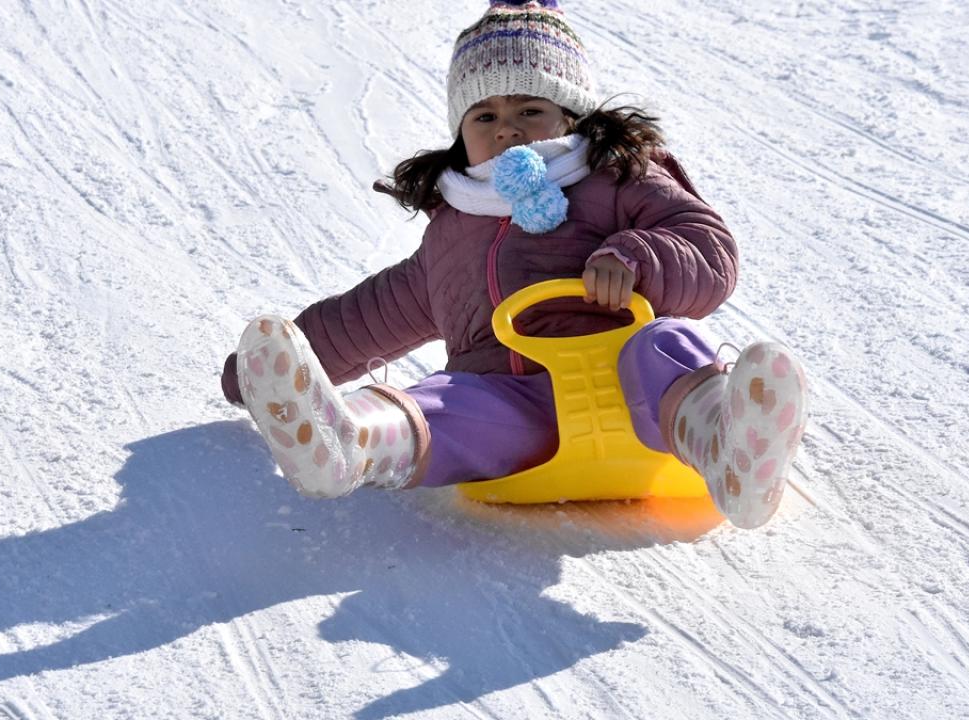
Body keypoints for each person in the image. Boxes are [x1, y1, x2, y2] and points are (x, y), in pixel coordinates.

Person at [220, 0, 807, 528]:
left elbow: (708, 247)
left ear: (571, 116)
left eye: (529, 109)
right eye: (484, 116)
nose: (505, 128)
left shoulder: (615, 176)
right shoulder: (453, 226)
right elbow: (370, 317)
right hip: (516, 415)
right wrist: (263, 379)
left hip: (637, 401)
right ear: (460, 132)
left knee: (667, 345)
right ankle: (348, 440)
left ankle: (726, 445)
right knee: (451, 401)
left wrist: (636, 255)